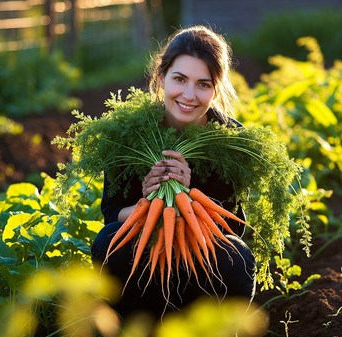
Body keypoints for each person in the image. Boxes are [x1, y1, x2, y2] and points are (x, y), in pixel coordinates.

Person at [91, 25, 256, 320]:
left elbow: (234, 228)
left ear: (216, 88)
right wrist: (147, 200)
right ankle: (133, 335)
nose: (189, 95)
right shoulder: (126, 133)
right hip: (146, 260)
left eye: (203, 84)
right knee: (108, 242)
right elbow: (111, 212)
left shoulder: (231, 140)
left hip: (202, 262)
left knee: (237, 258)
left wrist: (191, 198)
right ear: (162, 77)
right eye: (180, 79)